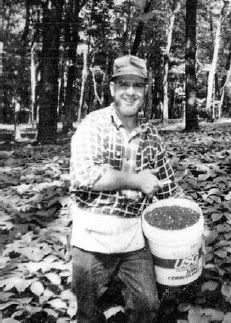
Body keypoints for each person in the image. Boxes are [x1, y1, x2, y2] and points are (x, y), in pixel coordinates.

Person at [69, 54, 181, 322]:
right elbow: (84, 175)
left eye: (138, 85)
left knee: (147, 306)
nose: (130, 92)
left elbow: (169, 191)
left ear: (145, 90)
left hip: (133, 239)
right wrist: (136, 179)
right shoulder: (93, 125)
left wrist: (197, 227)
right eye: (124, 84)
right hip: (91, 240)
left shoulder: (152, 136)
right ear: (112, 89)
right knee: (88, 311)